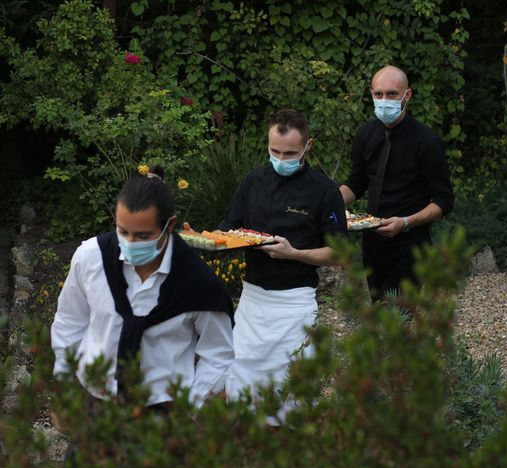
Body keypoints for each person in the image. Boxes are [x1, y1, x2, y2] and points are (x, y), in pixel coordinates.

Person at [51, 167, 234, 410]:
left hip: (161, 412)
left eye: (142, 235)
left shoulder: (197, 284)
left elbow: (219, 353)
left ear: (170, 225)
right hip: (95, 403)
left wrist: (191, 404)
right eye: (122, 231)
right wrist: (63, 386)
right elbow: (70, 321)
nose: (130, 243)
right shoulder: (92, 259)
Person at [219, 109, 347, 422]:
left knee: (290, 382)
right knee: (241, 371)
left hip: (295, 302)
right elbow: (229, 230)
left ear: (307, 147)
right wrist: (206, 238)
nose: (281, 158)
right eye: (274, 151)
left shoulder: (325, 191)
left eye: (290, 153)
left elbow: (339, 254)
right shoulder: (253, 182)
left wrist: (295, 253)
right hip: (252, 299)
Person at [340, 65, 455, 301]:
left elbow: (444, 200)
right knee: (378, 307)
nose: (384, 100)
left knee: (400, 318)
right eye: (378, 94)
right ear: (371, 94)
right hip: (371, 241)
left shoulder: (427, 141)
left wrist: (405, 223)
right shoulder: (365, 135)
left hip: (410, 243)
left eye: (392, 94)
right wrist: (326, 202)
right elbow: (356, 184)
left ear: (407, 96)